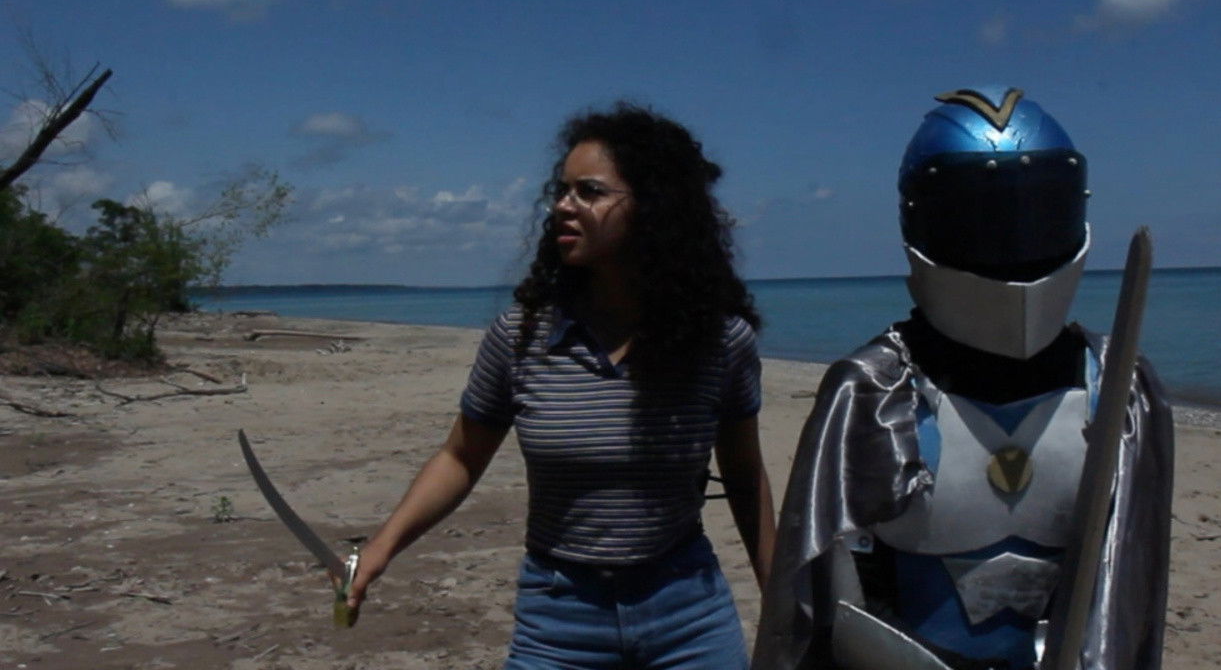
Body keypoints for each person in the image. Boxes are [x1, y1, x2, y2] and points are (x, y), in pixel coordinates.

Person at [753, 87, 1174, 670]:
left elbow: (1131, 575)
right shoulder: (875, 389)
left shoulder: (1120, 384)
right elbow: (823, 586)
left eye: (1035, 214)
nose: (1013, 247)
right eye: (982, 221)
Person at [347, 102, 776, 669]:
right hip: (559, 616)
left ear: (655, 207)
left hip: (687, 611)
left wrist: (781, 597)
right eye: (562, 190)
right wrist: (380, 548)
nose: (562, 206)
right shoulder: (520, 337)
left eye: (589, 192)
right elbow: (461, 456)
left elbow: (744, 476)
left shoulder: (718, 342)